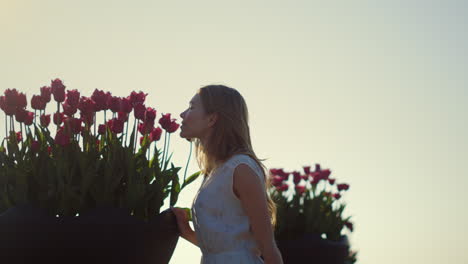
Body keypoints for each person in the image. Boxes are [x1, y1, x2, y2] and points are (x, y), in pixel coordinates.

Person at [171, 85, 283, 264]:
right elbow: (225, 247)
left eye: (192, 107)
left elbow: (268, 249)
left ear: (212, 118)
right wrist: (187, 232)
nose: (183, 114)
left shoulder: (241, 169)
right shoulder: (215, 172)